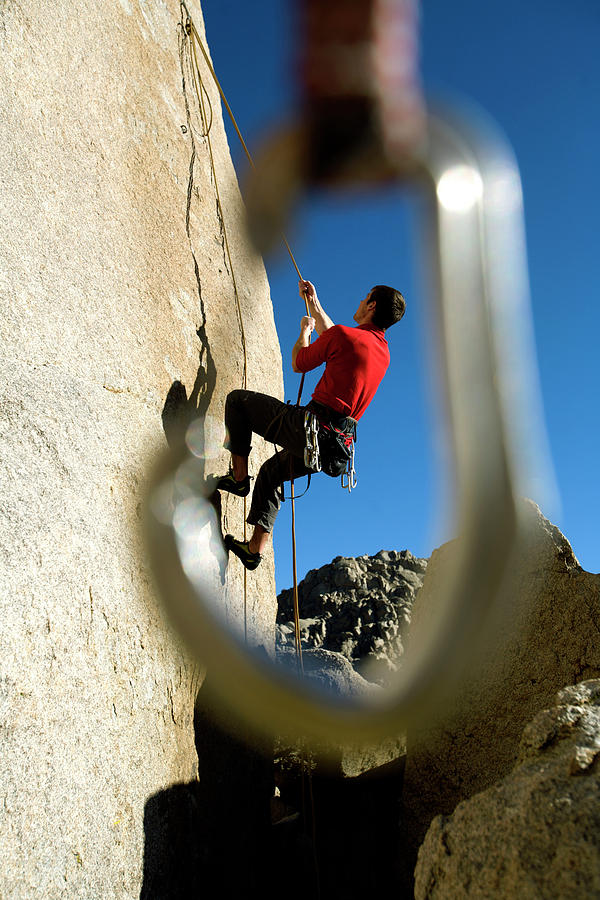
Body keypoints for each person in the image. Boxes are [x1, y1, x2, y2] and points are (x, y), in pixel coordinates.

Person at [216, 278, 406, 570]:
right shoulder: (381, 354)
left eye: (364, 297)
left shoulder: (345, 337)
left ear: (371, 305)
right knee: (271, 473)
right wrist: (314, 303)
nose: (359, 301)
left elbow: (299, 361)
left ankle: (238, 478)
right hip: (334, 448)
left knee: (237, 402)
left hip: (310, 427)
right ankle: (254, 550)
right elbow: (337, 338)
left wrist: (304, 331)